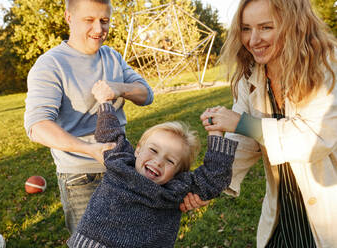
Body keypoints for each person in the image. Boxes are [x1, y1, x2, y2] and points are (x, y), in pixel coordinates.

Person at [199, 0, 337, 247]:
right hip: (285, 211)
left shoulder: (327, 65)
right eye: (245, 28)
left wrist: (242, 123)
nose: (253, 40)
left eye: (265, 27)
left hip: (329, 207)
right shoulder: (250, 76)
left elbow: (314, 139)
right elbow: (242, 145)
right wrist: (204, 186)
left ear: (294, 25)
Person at [23, 0, 154, 234]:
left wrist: (118, 88)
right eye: (89, 20)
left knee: (129, 237)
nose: (98, 29)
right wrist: (90, 149)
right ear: (68, 17)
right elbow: (37, 126)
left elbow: (147, 94)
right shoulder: (50, 65)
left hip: (122, 167)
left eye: (104, 21)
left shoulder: (112, 57)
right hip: (81, 176)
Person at [67, 90, 238, 247]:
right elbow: (109, 132)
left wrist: (215, 132)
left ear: (178, 173)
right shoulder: (120, 161)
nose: (157, 161)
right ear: (138, 149)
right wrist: (105, 102)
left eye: (170, 161)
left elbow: (213, 178)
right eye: (153, 150)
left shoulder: (175, 189)